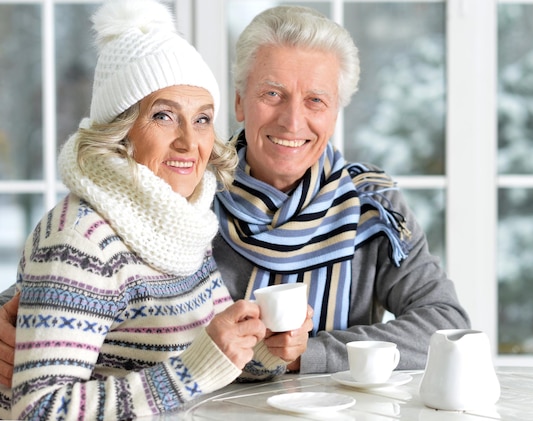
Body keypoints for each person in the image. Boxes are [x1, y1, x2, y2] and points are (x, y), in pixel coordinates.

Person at [0, 4, 470, 380]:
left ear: (335, 112)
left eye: (315, 101)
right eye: (272, 94)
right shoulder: (184, 186)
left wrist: (308, 356)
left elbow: (447, 325)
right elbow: (69, 279)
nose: (292, 121)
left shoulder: (371, 205)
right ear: (240, 101)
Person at [0, 1, 311, 419]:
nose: (188, 142)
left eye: (202, 119)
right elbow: (38, 411)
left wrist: (265, 347)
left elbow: (197, 363)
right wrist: (191, 370)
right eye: (164, 116)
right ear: (119, 130)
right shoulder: (79, 238)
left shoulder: (179, 219)